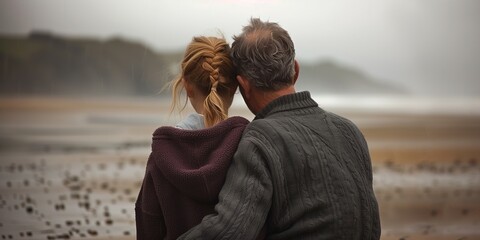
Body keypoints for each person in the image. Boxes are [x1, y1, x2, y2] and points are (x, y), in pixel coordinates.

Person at [179, 18, 381, 239]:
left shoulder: (260, 139)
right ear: (295, 70)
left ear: (243, 86)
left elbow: (230, 231)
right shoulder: (350, 131)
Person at [135, 36, 250, 240]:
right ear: (235, 88)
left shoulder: (161, 157)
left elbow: (148, 225)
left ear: (186, 86)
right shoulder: (251, 147)